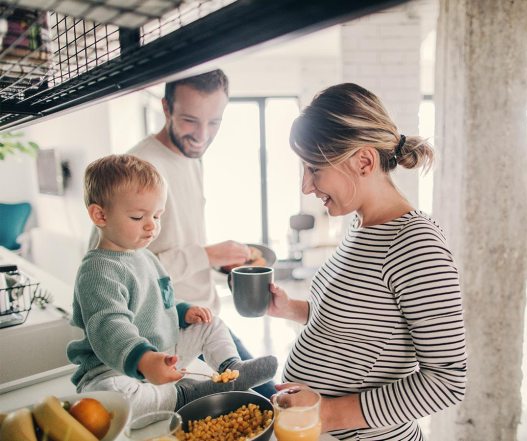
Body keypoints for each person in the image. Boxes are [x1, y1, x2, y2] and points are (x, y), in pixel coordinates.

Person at [268, 83, 467, 440]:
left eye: (314, 169)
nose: (306, 186)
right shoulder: (361, 225)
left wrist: (325, 413)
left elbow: (446, 381)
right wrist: (291, 309)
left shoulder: (416, 244)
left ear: (363, 161)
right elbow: (357, 325)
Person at [89, 69, 276, 397]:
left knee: (268, 398)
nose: (202, 135)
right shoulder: (138, 167)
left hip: (202, 317)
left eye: (214, 122)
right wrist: (206, 254)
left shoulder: (190, 158)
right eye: (190, 120)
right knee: (259, 404)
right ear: (166, 108)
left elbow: (173, 242)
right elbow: (113, 264)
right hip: (167, 335)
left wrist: (219, 265)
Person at [68, 154, 277, 417]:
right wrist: (144, 360)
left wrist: (183, 311)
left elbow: (160, 300)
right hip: (113, 368)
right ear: (100, 215)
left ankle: (231, 368)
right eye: (137, 217)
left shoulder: (144, 256)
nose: (151, 226)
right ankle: (185, 394)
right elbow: (110, 327)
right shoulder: (98, 271)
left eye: (157, 216)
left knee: (209, 322)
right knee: (115, 398)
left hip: (162, 352)